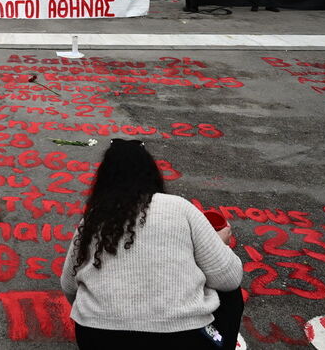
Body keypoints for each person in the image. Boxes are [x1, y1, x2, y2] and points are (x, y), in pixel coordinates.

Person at [60, 140, 244, 350]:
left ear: (103, 180)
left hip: (98, 339)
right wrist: (220, 245)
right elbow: (229, 277)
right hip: (182, 340)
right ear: (153, 174)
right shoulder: (179, 207)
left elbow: (68, 285)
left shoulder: (94, 217)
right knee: (229, 290)